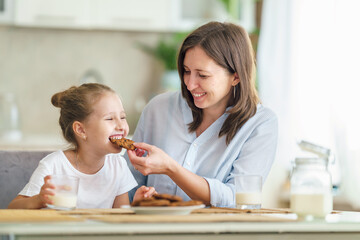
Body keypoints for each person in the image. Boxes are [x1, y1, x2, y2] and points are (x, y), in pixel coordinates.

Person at [126, 21, 278, 207]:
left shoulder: (260, 124)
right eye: (187, 71)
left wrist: (171, 169)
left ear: (236, 76)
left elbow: (238, 199)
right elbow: (127, 187)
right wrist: (137, 200)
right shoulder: (158, 109)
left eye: (203, 75)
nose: (190, 84)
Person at [8, 83, 155, 209]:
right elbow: (12, 209)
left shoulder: (118, 166)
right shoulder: (54, 166)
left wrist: (136, 205)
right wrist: (39, 199)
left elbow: (119, 219)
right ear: (81, 130)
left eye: (123, 117)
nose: (121, 125)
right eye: (110, 118)